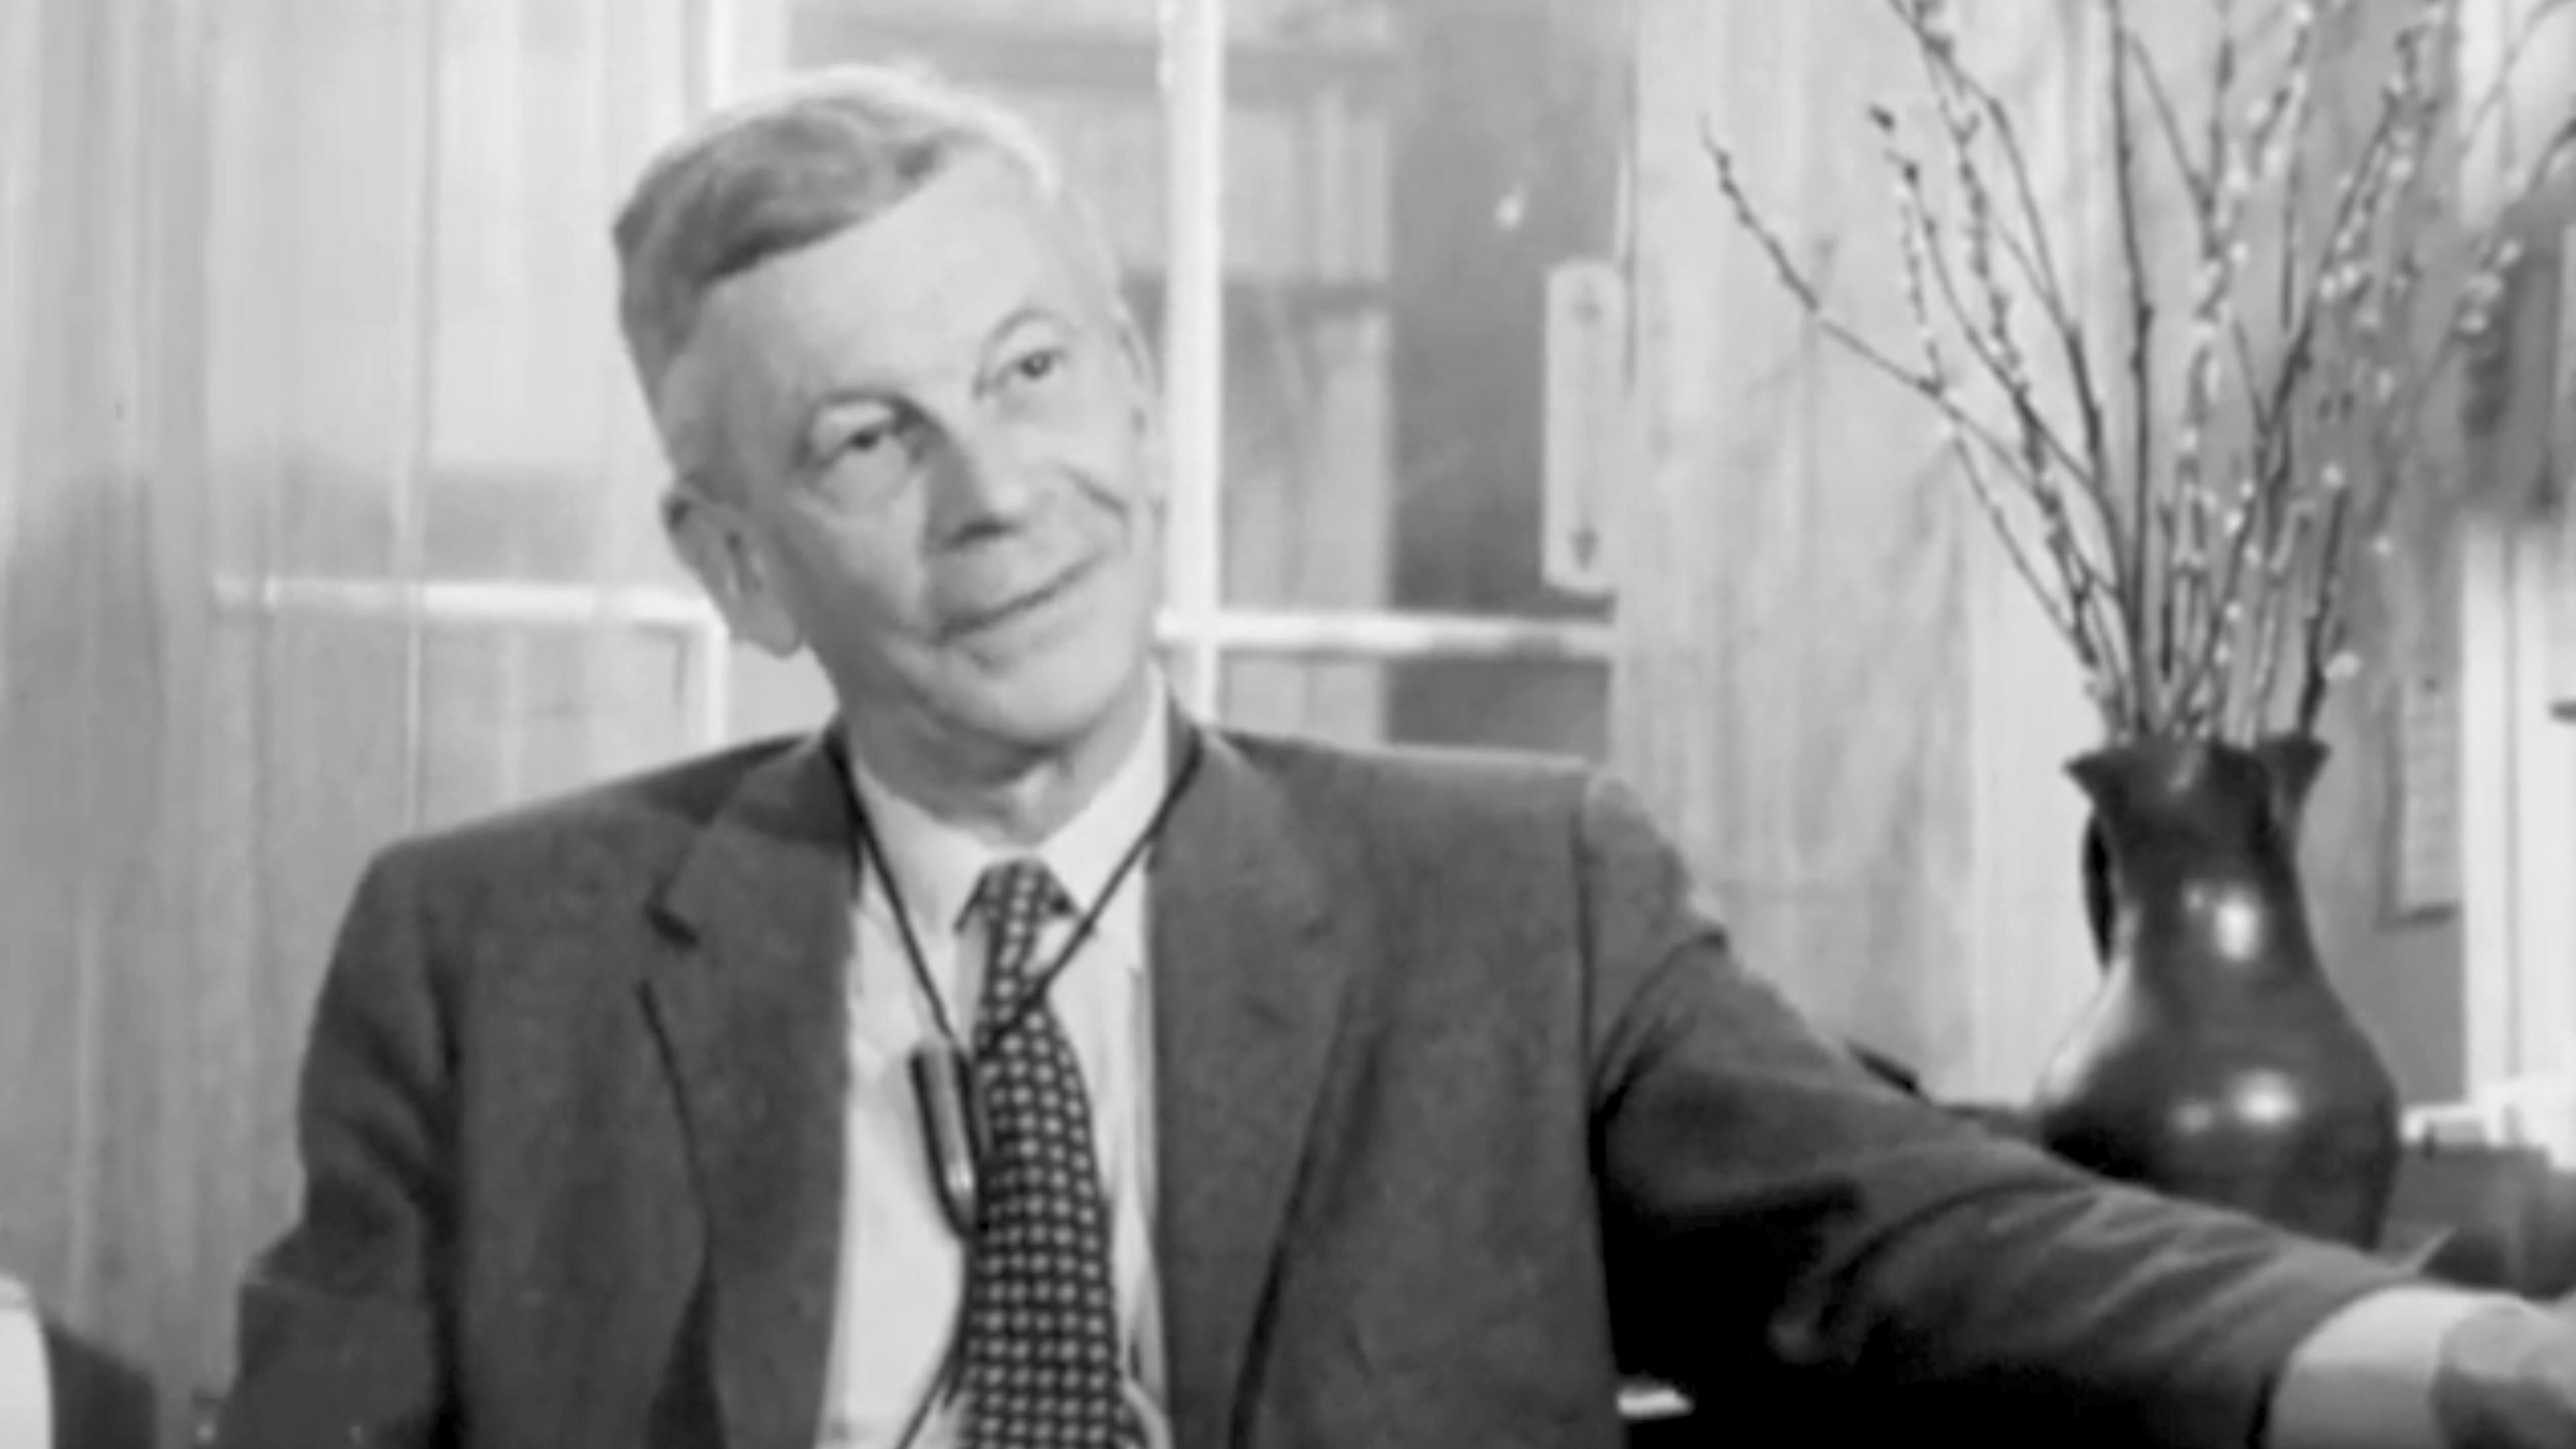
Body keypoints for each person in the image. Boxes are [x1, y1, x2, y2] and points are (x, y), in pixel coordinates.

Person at [213, 62, 2576, 1449]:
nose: (997, 493)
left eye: (1033, 373)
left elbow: (1939, 1250)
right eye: (867, 439)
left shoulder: (1514, 904)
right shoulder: (483, 962)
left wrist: (2485, 1369)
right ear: (736, 562)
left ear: (1142, 398)